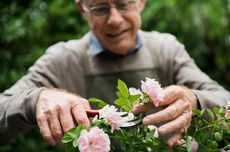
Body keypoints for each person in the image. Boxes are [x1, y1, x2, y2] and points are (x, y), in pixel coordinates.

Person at [0, 0, 229, 148]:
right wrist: (33, 100)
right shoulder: (61, 60)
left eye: (123, 4)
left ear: (141, 2)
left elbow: (224, 100)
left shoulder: (166, 49)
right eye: (100, 8)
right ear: (83, 9)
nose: (114, 20)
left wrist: (196, 100)